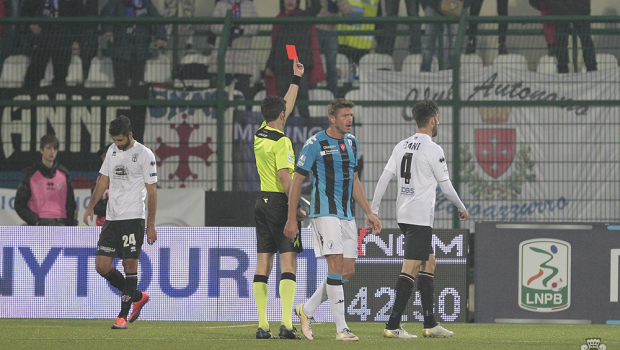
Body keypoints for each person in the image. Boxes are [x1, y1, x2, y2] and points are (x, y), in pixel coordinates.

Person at [284, 98, 382, 341]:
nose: (350, 119)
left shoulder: (352, 142)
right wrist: (291, 218)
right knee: (335, 266)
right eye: (345, 115)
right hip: (324, 213)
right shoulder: (315, 143)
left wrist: (369, 212)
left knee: (346, 271)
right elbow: (297, 181)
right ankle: (342, 329)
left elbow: (355, 180)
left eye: (351, 115)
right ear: (332, 118)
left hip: (347, 215)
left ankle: (305, 310)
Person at [370, 99, 468, 339]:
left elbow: (384, 179)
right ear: (433, 118)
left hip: (404, 213)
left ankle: (430, 324)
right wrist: (461, 207)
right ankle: (393, 325)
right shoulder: (433, 149)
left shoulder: (402, 145)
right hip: (419, 217)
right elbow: (446, 188)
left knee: (429, 262)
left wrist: (374, 209)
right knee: (411, 267)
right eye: (438, 117)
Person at [83, 115, 158, 329]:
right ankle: (137, 296)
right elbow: (103, 180)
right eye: (114, 140)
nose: (117, 144)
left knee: (129, 265)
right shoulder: (111, 150)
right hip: (112, 218)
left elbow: (152, 192)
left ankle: (122, 317)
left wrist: (150, 225)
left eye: (120, 140)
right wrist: (90, 206)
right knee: (102, 265)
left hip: (133, 218)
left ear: (130, 135)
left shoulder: (145, 155)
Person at [253, 57, 306, 340]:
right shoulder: (283, 142)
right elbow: (286, 177)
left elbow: (282, 107)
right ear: (282, 116)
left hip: (261, 202)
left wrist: (295, 80)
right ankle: (286, 324)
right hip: (279, 203)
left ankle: (263, 326)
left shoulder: (260, 134)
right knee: (289, 264)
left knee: (263, 264)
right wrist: (294, 209)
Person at [264, 0, 324, 119]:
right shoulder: (280, 19)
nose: (290, 1)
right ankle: (286, 132)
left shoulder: (304, 16)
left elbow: (317, 6)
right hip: (282, 66)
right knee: (284, 103)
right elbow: (276, 45)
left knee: (302, 101)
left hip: (299, 66)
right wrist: (270, 65)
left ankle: (305, 130)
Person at [100, 0, 167, 87]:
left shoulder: (145, 2)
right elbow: (105, 16)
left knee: (138, 83)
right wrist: (108, 30)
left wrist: (160, 36)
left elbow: (157, 18)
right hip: (121, 50)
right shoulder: (115, 2)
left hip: (140, 49)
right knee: (121, 84)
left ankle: (136, 98)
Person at [15, 134, 77, 226]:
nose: (52, 152)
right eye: (48, 148)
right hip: (40, 224)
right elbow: (19, 204)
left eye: (55, 149)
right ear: (41, 150)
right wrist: (35, 221)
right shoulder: (31, 174)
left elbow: (71, 204)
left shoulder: (64, 174)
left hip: (62, 224)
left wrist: (70, 223)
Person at [21, 0, 82, 88]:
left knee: (60, 73)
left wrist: (76, 40)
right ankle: (30, 96)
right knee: (35, 72)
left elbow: (79, 16)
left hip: (63, 38)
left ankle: (57, 97)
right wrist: (31, 24)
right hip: (41, 37)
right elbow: (25, 11)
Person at [529, 0, 597, 73]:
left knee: (561, 41)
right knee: (585, 39)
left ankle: (562, 69)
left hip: (559, 9)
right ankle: (591, 68)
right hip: (580, 8)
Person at [315, 0, 352, 98]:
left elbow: (347, 10)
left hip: (332, 31)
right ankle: (312, 93)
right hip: (317, 29)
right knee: (314, 63)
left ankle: (334, 97)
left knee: (331, 66)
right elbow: (317, 10)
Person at [420, 0, 457, 72]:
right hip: (433, 5)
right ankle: (425, 71)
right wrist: (426, 5)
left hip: (452, 4)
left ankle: (452, 71)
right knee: (429, 41)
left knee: (453, 41)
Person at [92, 144, 111, 227]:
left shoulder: (125, 178)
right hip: (101, 223)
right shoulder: (99, 179)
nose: (105, 159)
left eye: (107, 156)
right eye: (103, 156)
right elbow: (95, 206)